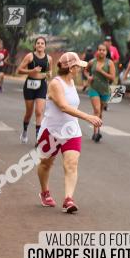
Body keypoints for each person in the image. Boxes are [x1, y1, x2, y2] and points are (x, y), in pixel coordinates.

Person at [36, 52, 103, 213]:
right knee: (46, 164)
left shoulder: (72, 82)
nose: (80, 69)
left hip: (72, 130)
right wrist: (88, 117)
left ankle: (68, 199)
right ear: (71, 68)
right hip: (51, 131)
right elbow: (64, 107)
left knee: (71, 164)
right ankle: (45, 192)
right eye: (78, 66)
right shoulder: (55, 84)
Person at [16, 37, 53, 144]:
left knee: (39, 111)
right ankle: (24, 131)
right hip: (29, 86)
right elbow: (19, 70)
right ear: (35, 45)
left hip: (42, 85)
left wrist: (49, 74)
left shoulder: (49, 58)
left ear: (45, 46)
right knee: (29, 112)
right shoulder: (30, 56)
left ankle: (38, 137)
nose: (40, 45)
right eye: (38, 43)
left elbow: (50, 71)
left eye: (42, 43)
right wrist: (32, 70)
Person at [84, 43, 116, 143]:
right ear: (97, 51)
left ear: (106, 52)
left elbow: (112, 78)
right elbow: (85, 70)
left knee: (100, 112)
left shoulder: (109, 63)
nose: (101, 52)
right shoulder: (92, 62)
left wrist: (101, 71)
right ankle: (96, 133)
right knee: (97, 110)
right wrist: (88, 77)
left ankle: (98, 129)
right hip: (93, 88)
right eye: (100, 50)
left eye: (104, 50)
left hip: (105, 90)